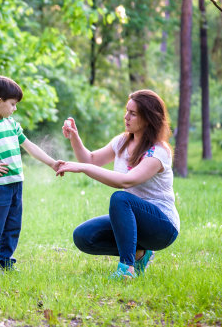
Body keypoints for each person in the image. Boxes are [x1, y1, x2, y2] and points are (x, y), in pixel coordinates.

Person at [56, 89, 180, 279]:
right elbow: (90, 159)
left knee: (121, 198)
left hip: (162, 226)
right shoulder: (122, 141)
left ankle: (126, 269)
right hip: (133, 219)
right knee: (83, 236)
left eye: (133, 113)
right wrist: (74, 137)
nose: (126, 117)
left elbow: (126, 181)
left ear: (148, 118)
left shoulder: (158, 151)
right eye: (126, 111)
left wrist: (82, 168)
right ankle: (140, 254)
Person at [0, 75, 63, 274]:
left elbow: (30, 146)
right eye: (13, 104)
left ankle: (5, 260)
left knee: (13, 226)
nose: (15, 108)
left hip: (16, 184)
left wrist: (52, 163)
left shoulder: (11, 124)